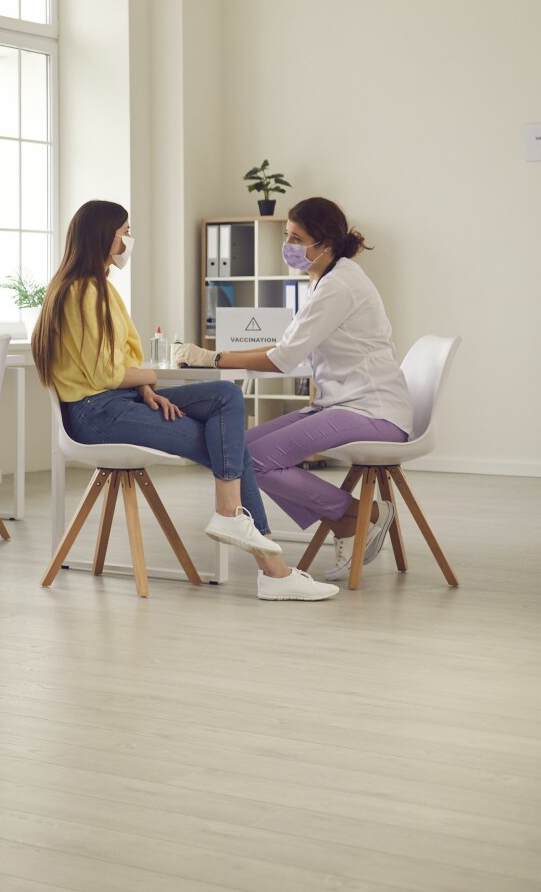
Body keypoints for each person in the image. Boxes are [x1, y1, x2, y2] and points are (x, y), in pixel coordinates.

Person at [34, 200, 337, 601]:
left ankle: (238, 526)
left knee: (225, 395)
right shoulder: (85, 292)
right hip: (97, 414)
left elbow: (115, 362)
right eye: (124, 232)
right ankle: (270, 568)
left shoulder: (100, 287)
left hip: (117, 402)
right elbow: (105, 374)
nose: (129, 240)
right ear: (102, 237)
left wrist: (143, 387)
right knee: (233, 448)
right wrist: (151, 377)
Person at [173, 198, 409, 582]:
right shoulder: (325, 278)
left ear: (326, 244)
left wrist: (212, 358)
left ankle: (359, 515)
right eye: (287, 235)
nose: (289, 245)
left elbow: (283, 358)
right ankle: (349, 517)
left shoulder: (339, 285)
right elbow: (287, 348)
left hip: (372, 409)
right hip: (341, 403)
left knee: (257, 458)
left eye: (297, 238)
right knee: (242, 450)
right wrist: (219, 356)